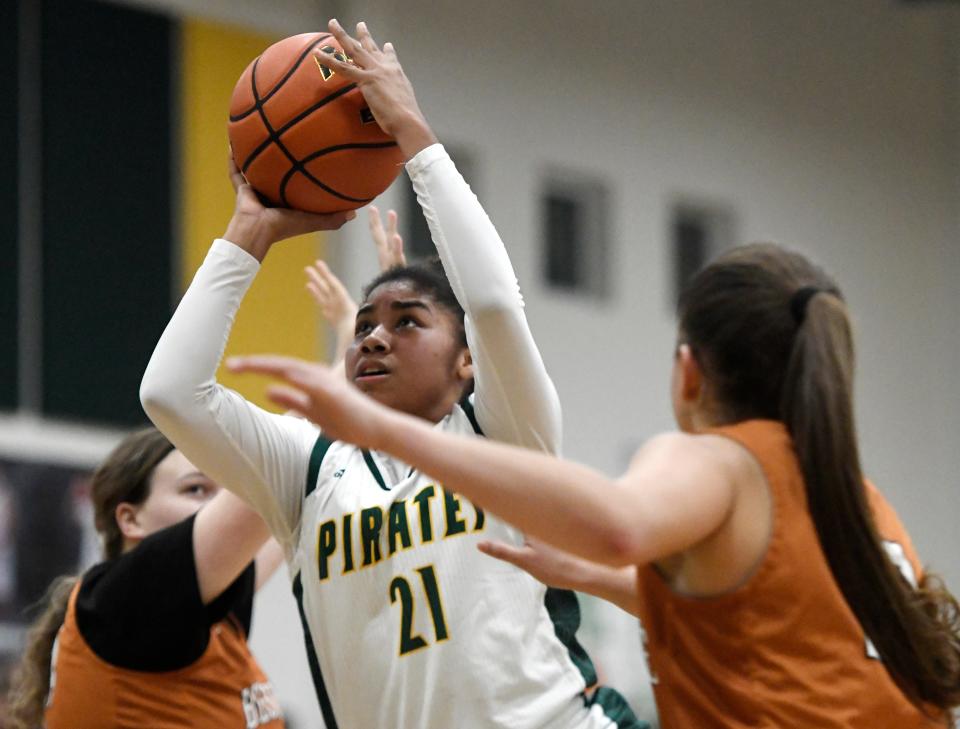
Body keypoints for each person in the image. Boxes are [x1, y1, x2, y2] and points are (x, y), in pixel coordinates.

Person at [140, 18, 642, 729]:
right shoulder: (306, 470)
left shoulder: (502, 432)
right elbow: (169, 393)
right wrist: (248, 233)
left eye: (408, 321)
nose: (374, 336)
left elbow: (493, 302)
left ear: (467, 360)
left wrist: (414, 135)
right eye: (364, 323)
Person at [231, 242, 960, 727]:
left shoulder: (718, 461)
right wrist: (598, 578)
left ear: (687, 371)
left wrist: (380, 427)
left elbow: (617, 523)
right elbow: (778, 631)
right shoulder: (859, 500)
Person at [4, 427, 286, 729]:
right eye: (196, 489)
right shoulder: (127, 600)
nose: (220, 508)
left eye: (225, 493)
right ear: (130, 519)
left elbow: (289, 500)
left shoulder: (203, 610)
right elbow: (282, 460)